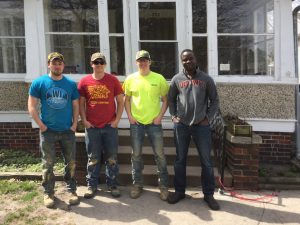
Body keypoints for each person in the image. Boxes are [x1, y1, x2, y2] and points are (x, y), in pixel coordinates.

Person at [167, 49, 220, 210]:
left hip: (201, 126)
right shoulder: (177, 79)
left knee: (206, 162)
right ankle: (179, 191)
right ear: (181, 61)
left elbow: (215, 100)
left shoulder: (206, 79)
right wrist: (173, 116)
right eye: (184, 60)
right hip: (182, 125)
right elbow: (170, 99)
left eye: (190, 59)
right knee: (179, 160)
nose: (188, 62)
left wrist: (208, 119)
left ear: (195, 59)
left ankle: (209, 195)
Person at [28, 52, 80, 208]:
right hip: (48, 131)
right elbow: (31, 106)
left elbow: (76, 105)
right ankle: (48, 193)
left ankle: (71, 191)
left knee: (70, 162)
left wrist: (74, 125)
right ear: (49, 64)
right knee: (48, 163)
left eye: (60, 63)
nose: (57, 66)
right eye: (54, 63)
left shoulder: (70, 84)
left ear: (63, 65)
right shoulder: (39, 83)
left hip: (67, 131)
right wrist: (41, 125)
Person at [123, 50, 169, 200]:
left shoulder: (159, 78)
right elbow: (126, 99)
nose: (142, 63)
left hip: (154, 124)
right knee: (136, 155)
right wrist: (129, 116)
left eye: (145, 60)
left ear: (150, 62)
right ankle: (137, 185)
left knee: (160, 155)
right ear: (136, 63)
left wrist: (160, 117)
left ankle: (163, 186)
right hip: (137, 123)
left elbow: (166, 100)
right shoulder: (130, 79)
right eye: (139, 61)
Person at [78, 52, 124, 198]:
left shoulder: (113, 80)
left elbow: (121, 101)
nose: (98, 65)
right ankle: (92, 186)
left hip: (109, 127)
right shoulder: (84, 82)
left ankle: (112, 185)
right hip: (92, 128)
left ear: (105, 64)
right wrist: (84, 120)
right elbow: (81, 103)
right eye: (95, 62)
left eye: (101, 62)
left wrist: (116, 121)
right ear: (91, 64)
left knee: (112, 158)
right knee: (93, 158)